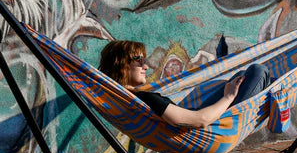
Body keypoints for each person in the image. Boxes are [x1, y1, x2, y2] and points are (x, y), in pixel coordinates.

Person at [98, 40, 270, 129]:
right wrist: (228, 97)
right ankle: (284, 92)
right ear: (121, 65)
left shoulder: (122, 98)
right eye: (138, 60)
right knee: (258, 71)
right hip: (207, 130)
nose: (145, 65)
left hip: (197, 122)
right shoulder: (146, 98)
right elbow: (200, 120)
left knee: (241, 76)